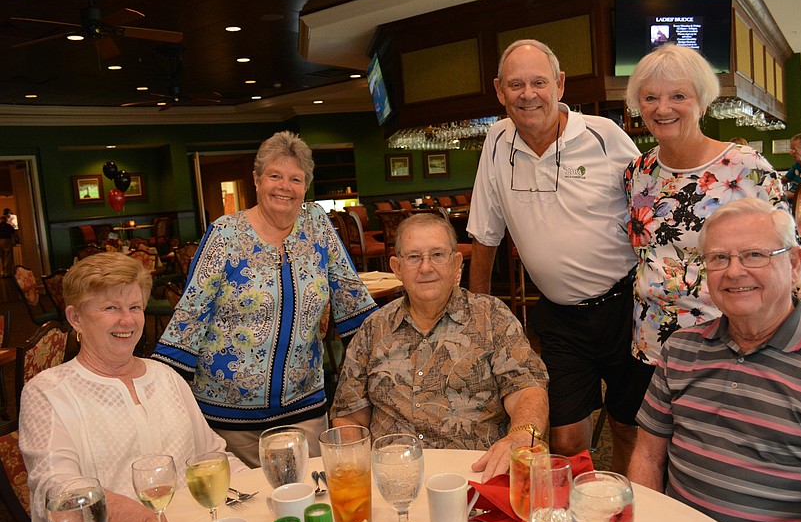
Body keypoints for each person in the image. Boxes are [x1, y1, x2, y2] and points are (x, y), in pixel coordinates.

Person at [629, 198, 801, 522]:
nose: (734, 272)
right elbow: (647, 458)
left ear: (793, 264)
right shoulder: (681, 349)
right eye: (719, 258)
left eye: (754, 255)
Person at [467, 39, 644, 473]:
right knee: (565, 437)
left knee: (629, 426)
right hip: (560, 317)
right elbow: (486, 235)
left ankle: (626, 512)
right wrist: (476, 318)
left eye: (539, 82)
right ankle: (578, 518)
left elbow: (652, 210)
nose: (528, 94)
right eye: (516, 84)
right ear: (499, 91)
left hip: (627, 308)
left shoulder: (605, 136)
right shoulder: (496, 141)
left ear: (560, 84)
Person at [153, 131, 378, 466]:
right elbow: (190, 317)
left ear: (305, 187)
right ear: (256, 180)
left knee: (310, 504)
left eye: (295, 179)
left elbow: (353, 305)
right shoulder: (225, 235)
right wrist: (158, 400)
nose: (284, 186)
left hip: (305, 412)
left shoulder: (318, 227)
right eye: (275, 176)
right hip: (228, 423)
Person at [623, 43, 801, 377]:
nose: (662, 108)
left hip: (729, 342)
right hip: (652, 342)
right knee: (649, 429)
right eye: (650, 98)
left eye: (678, 96)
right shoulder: (638, 172)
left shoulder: (745, 167)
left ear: (703, 101)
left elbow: (792, 252)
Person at [19, 253, 248, 522]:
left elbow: (212, 457)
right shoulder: (47, 392)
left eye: (135, 307)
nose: (127, 320)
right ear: (76, 318)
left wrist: (259, 493)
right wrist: (113, 508)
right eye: (111, 308)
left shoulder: (166, 377)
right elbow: (55, 486)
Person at [331, 213, 549, 481]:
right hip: (392, 480)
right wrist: (355, 472)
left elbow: (528, 389)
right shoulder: (372, 330)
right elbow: (349, 417)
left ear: (457, 263)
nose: (425, 267)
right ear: (397, 268)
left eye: (437, 255)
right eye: (413, 257)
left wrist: (520, 435)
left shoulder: (492, 317)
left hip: (474, 479)